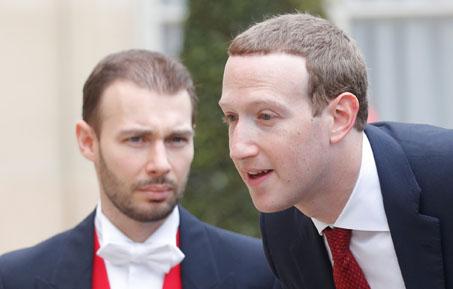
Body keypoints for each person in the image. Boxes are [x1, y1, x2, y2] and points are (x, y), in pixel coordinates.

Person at [0, 49, 280, 289]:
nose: (160, 164)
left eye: (176, 140)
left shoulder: (263, 273)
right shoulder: (14, 279)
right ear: (87, 142)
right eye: (136, 139)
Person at [219, 13, 453, 289]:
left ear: (340, 117)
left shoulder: (445, 176)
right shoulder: (282, 225)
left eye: (266, 116)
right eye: (231, 117)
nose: (238, 148)